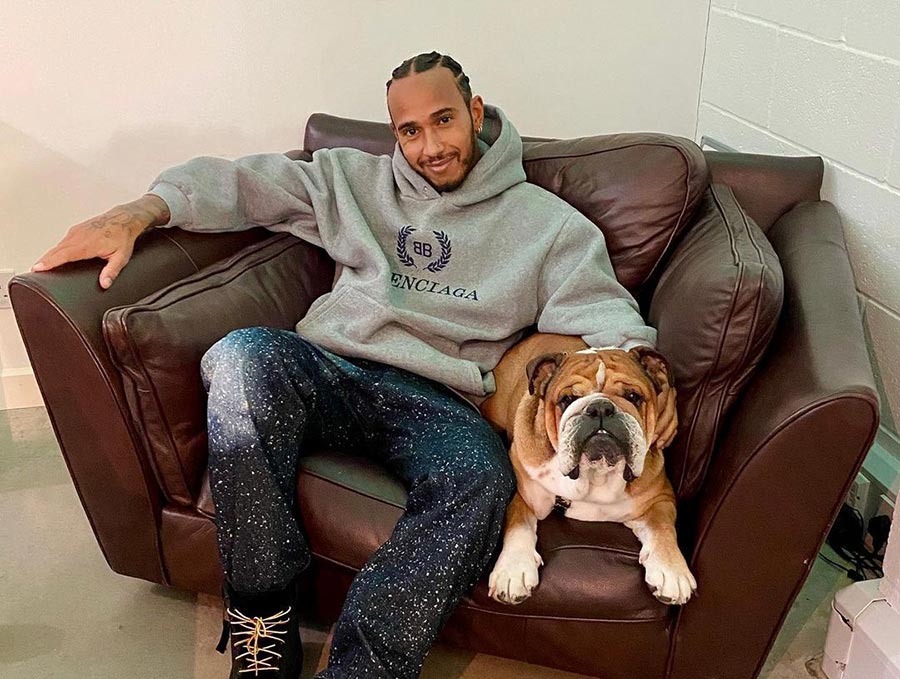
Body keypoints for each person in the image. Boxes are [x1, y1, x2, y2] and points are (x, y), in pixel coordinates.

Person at [34, 52, 657, 679]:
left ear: (474, 112)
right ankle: (262, 618)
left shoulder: (550, 228)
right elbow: (243, 184)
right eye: (410, 131)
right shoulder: (351, 182)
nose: (430, 146)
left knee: (482, 483)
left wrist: (636, 388)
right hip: (331, 370)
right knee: (239, 358)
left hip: (444, 400)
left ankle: (362, 670)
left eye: (444, 121)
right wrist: (137, 213)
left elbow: (610, 322)